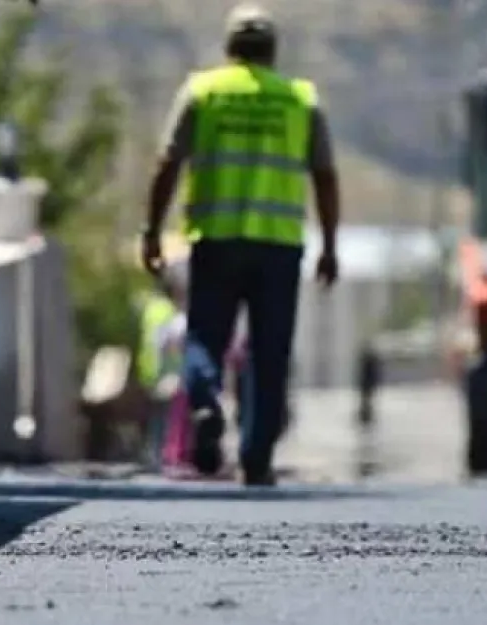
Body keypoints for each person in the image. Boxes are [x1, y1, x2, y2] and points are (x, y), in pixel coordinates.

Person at [141, 2, 341, 486]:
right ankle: (256, 457)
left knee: (205, 339)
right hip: (277, 247)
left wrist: (151, 231)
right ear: (273, 51)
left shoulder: (203, 91)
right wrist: (330, 245)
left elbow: (167, 163)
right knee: (269, 353)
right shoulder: (300, 99)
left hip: (216, 240)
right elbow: (325, 177)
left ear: (229, 49)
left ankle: (206, 405)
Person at [135, 264, 186, 470]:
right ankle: (162, 455)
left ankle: (153, 454)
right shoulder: (169, 312)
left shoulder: (152, 308)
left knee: (156, 417)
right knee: (166, 418)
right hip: (166, 371)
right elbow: (168, 344)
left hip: (149, 369)